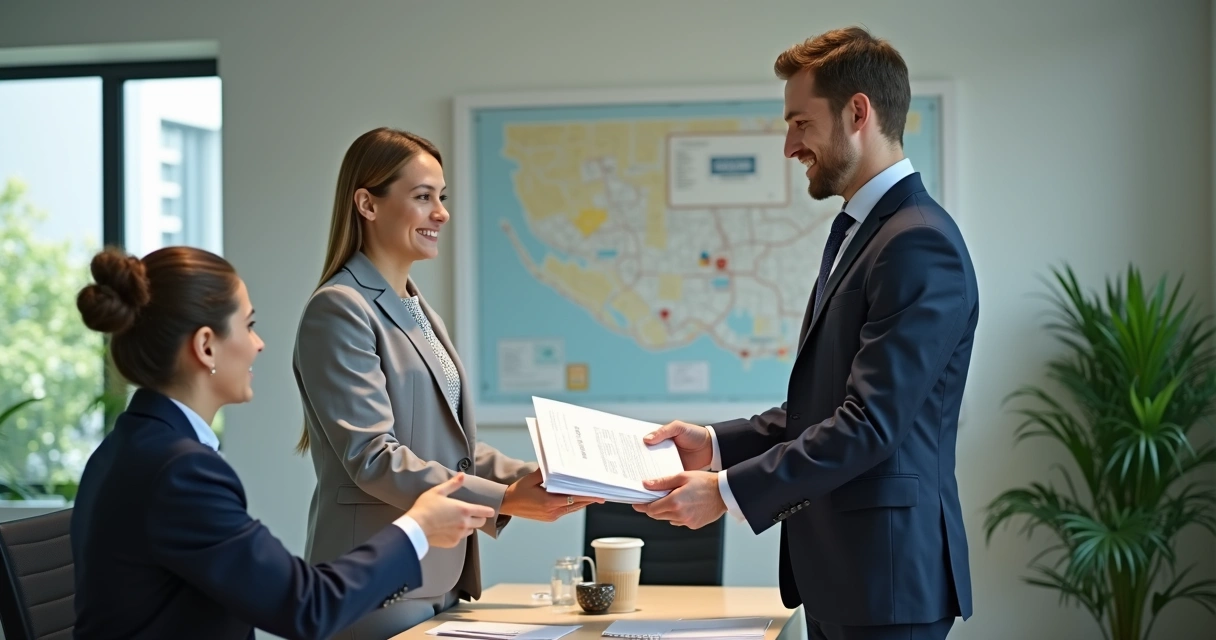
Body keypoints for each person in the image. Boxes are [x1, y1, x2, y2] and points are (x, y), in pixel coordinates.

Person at [635, 27, 976, 640]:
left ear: (858, 112)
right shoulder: (864, 231)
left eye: (800, 123)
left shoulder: (917, 242)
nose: (789, 145)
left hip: (887, 581)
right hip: (848, 575)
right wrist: (713, 444)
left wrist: (726, 492)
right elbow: (827, 406)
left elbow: (869, 424)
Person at [70, 246, 496, 640]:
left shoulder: (127, 447)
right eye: (249, 325)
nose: (259, 344)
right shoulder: (179, 471)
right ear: (205, 346)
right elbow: (306, 606)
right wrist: (418, 528)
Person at [292, 127, 601, 638]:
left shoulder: (416, 309)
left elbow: (447, 448)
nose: (441, 213)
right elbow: (374, 456)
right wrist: (504, 499)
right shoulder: (340, 309)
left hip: (438, 577)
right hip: (376, 580)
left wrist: (547, 472)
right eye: (422, 197)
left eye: (442, 197)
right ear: (367, 204)